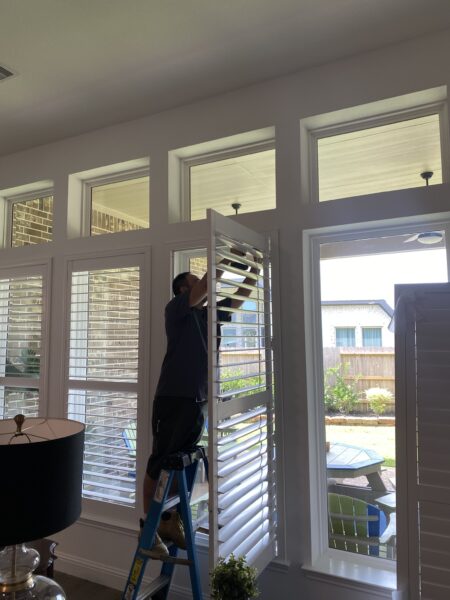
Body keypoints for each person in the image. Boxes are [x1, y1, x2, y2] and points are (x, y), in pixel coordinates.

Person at [142, 251, 260, 554]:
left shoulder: (209, 315)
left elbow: (238, 298)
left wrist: (253, 270)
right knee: (159, 460)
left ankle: (171, 520)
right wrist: (224, 261)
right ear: (184, 289)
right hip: (173, 397)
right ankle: (150, 528)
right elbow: (207, 285)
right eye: (195, 281)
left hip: (199, 400)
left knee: (181, 460)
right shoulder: (175, 310)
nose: (203, 284)